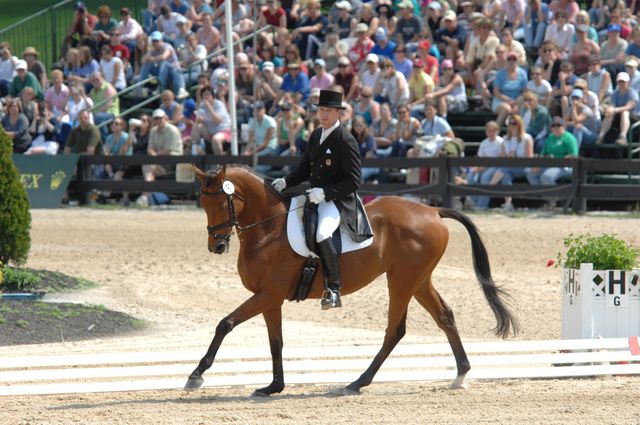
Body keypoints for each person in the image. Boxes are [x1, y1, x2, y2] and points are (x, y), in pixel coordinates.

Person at [271, 90, 372, 310]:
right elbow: (304, 169)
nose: (323, 114)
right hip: (314, 195)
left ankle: (333, 290)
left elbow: (354, 181)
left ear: (338, 113)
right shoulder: (316, 135)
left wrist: (326, 193)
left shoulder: (345, 140)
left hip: (337, 200)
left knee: (322, 233)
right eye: (321, 110)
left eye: (328, 111)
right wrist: (287, 181)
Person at [136, 108, 184, 207]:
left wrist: (155, 155)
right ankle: (146, 196)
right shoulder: (153, 131)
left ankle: (146, 197)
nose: (158, 120)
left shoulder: (173, 130)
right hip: (159, 161)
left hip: (173, 162)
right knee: (147, 167)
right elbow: (150, 149)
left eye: (160, 118)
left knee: (147, 167)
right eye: (156, 118)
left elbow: (168, 150)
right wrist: (155, 156)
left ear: (165, 118)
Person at [489, 114, 534, 211]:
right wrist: (505, 155)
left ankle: (488, 188)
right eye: (510, 123)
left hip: (524, 167)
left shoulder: (527, 138)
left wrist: (516, 156)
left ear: (519, 125)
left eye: (514, 123)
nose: (512, 126)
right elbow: (502, 155)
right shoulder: (505, 138)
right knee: (505, 173)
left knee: (504, 170)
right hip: (510, 167)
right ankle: (508, 203)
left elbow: (529, 158)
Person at [527, 116, 578, 186]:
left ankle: (554, 196)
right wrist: (538, 165)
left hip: (564, 166)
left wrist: (557, 161)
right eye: (553, 125)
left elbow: (573, 155)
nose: (556, 127)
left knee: (546, 176)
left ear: (563, 126)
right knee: (531, 173)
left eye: (558, 125)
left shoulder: (569, 138)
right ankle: (542, 194)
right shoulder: (550, 137)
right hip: (549, 164)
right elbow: (543, 154)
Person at [597, 71, 639, 146]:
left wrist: (615, 109)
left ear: (628, 82)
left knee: (625, 112)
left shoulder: (632, 93)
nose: (621, 84)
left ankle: (623, 137)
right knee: (609, 113)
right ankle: (601, 136)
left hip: (634, 117)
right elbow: (612, 105)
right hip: (618, 117)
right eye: (620, 82)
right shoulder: (615, 93)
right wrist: (610, 109)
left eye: (623, 82)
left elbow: (630, 106)